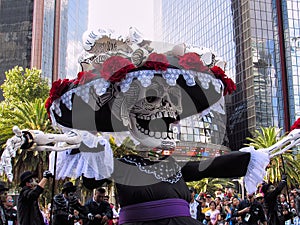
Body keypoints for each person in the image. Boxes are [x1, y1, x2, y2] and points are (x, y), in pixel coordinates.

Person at [7, 27, 300, 225]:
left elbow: (225, 162)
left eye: (168, 121)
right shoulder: (117, 163)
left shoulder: (177, 165)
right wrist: (38, 139)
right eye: (156, 120)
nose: (165, 127)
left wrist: (281, 144)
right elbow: (88, 171)